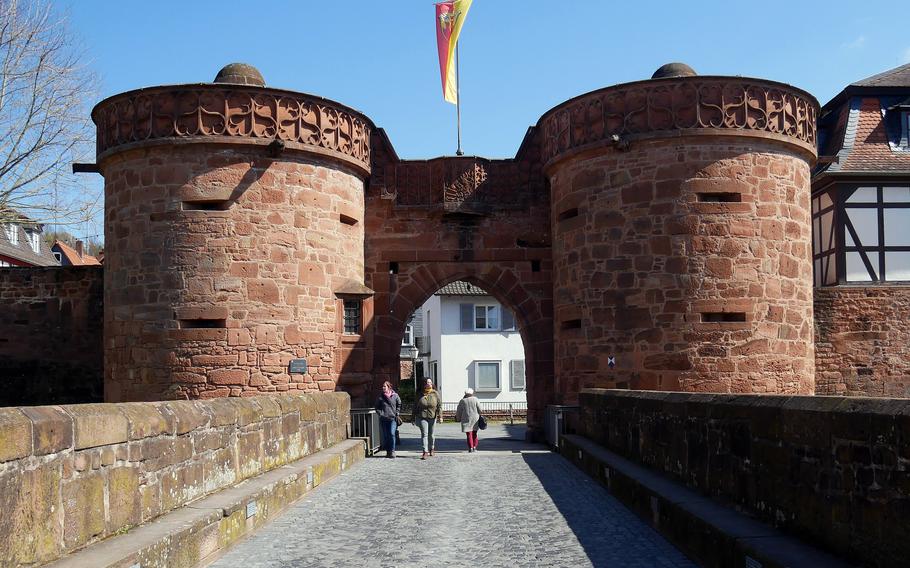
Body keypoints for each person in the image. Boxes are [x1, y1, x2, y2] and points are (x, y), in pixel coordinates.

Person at [415, 378, 442, 460]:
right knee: (424, 434)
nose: (429, 384)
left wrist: (440, 416)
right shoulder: (419, 394)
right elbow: (415, 406)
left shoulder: (435, 394)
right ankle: (425, 452)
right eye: (427, 382)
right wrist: (413, 417)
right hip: (422, 416)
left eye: (430, 382)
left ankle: (432, 448)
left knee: (431, 435)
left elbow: (439, 406)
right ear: (424, 384)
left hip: (432, 416)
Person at [374, 381, 401, 458]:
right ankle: (388, 451)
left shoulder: (395, 396)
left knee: (392, 434)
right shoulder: (381, 397)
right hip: (384, 419)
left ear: (389, 387)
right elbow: (377, 407)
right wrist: (380, 413)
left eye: (384, 386)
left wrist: (397, 412)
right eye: (383, 386)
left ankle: (392, 450)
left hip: (392, 418)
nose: (383, 388)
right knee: (386, 435)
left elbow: (399, 403)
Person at [455, 388, 482, 452]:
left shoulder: (462, 401)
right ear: (472, 393)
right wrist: (480, 414)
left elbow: (459, 411)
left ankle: (471, 447)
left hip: (466, 419)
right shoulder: (476, 399)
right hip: (475, 419)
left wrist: (458, 418)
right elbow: (480, 409)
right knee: (474, 433)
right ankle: (475, 446)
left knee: (469, 434)